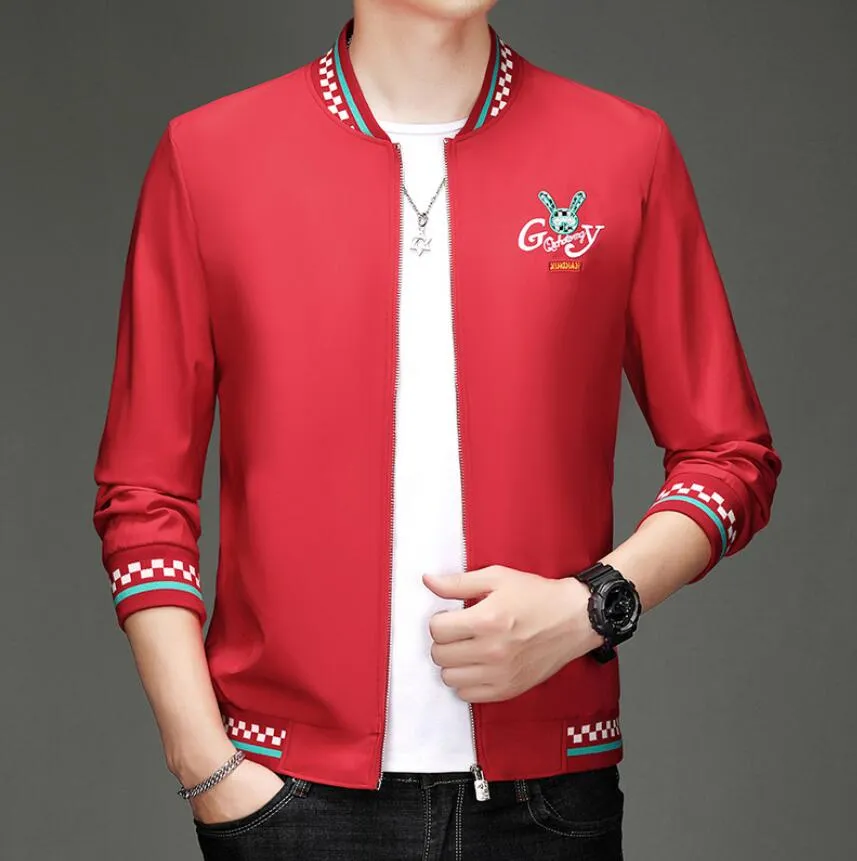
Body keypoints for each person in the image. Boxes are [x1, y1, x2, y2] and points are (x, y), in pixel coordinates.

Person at [91, 1, 782, 858]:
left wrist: (590, 607)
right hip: (283, 794)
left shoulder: (622, 148)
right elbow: (143, 491)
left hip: (549, 797)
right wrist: (202, 760)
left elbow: (729, 455)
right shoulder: (208, 156)